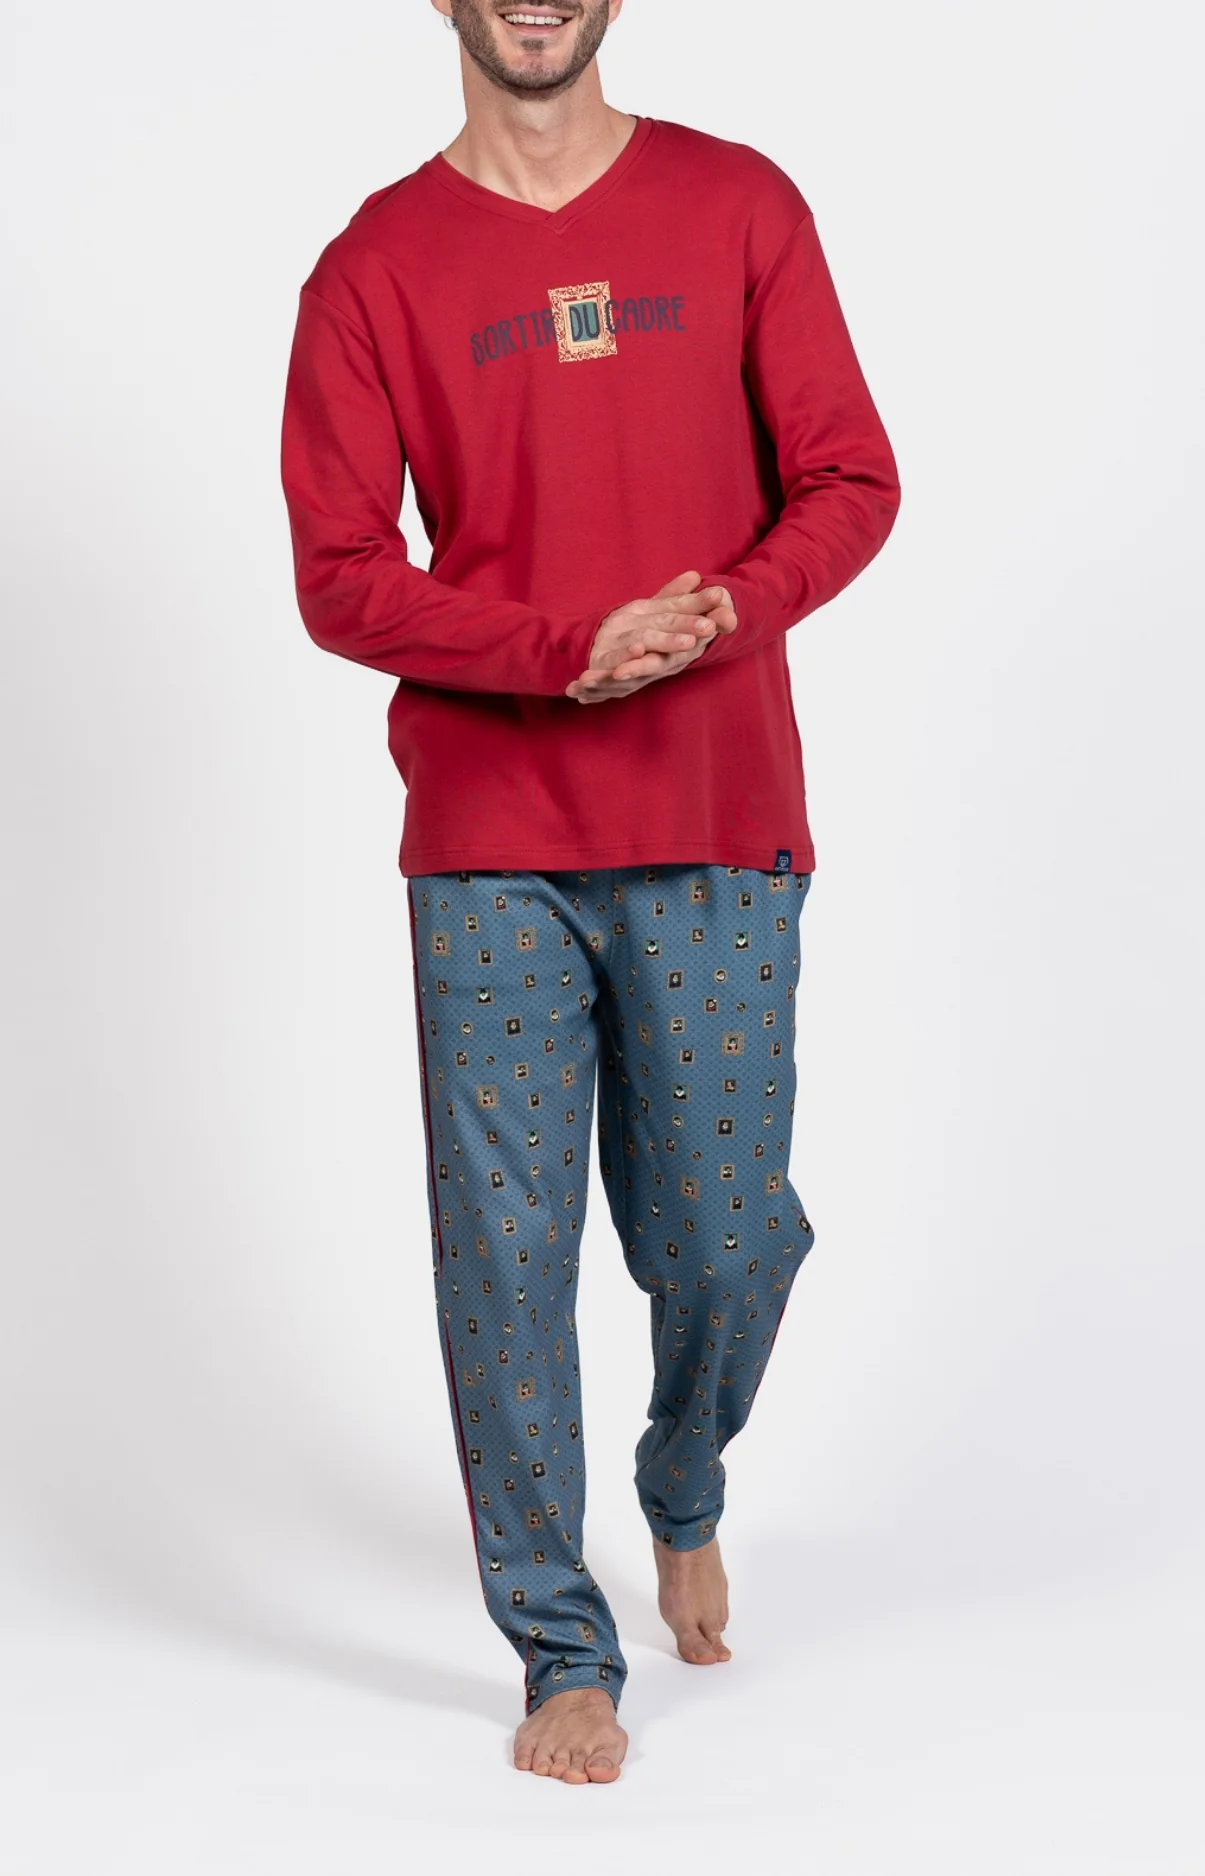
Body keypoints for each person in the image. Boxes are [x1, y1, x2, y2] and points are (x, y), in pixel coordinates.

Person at [279, 0, 900, 1787]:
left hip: (717, 810)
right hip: (490, 841)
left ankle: (683, 1476)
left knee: (725, 1234)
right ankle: (563, 1643)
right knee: (506, 1253)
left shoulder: (740, 206)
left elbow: (851, 479)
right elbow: (339, 573)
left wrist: (727, 612)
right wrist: (561, 650)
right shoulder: (373, 267)